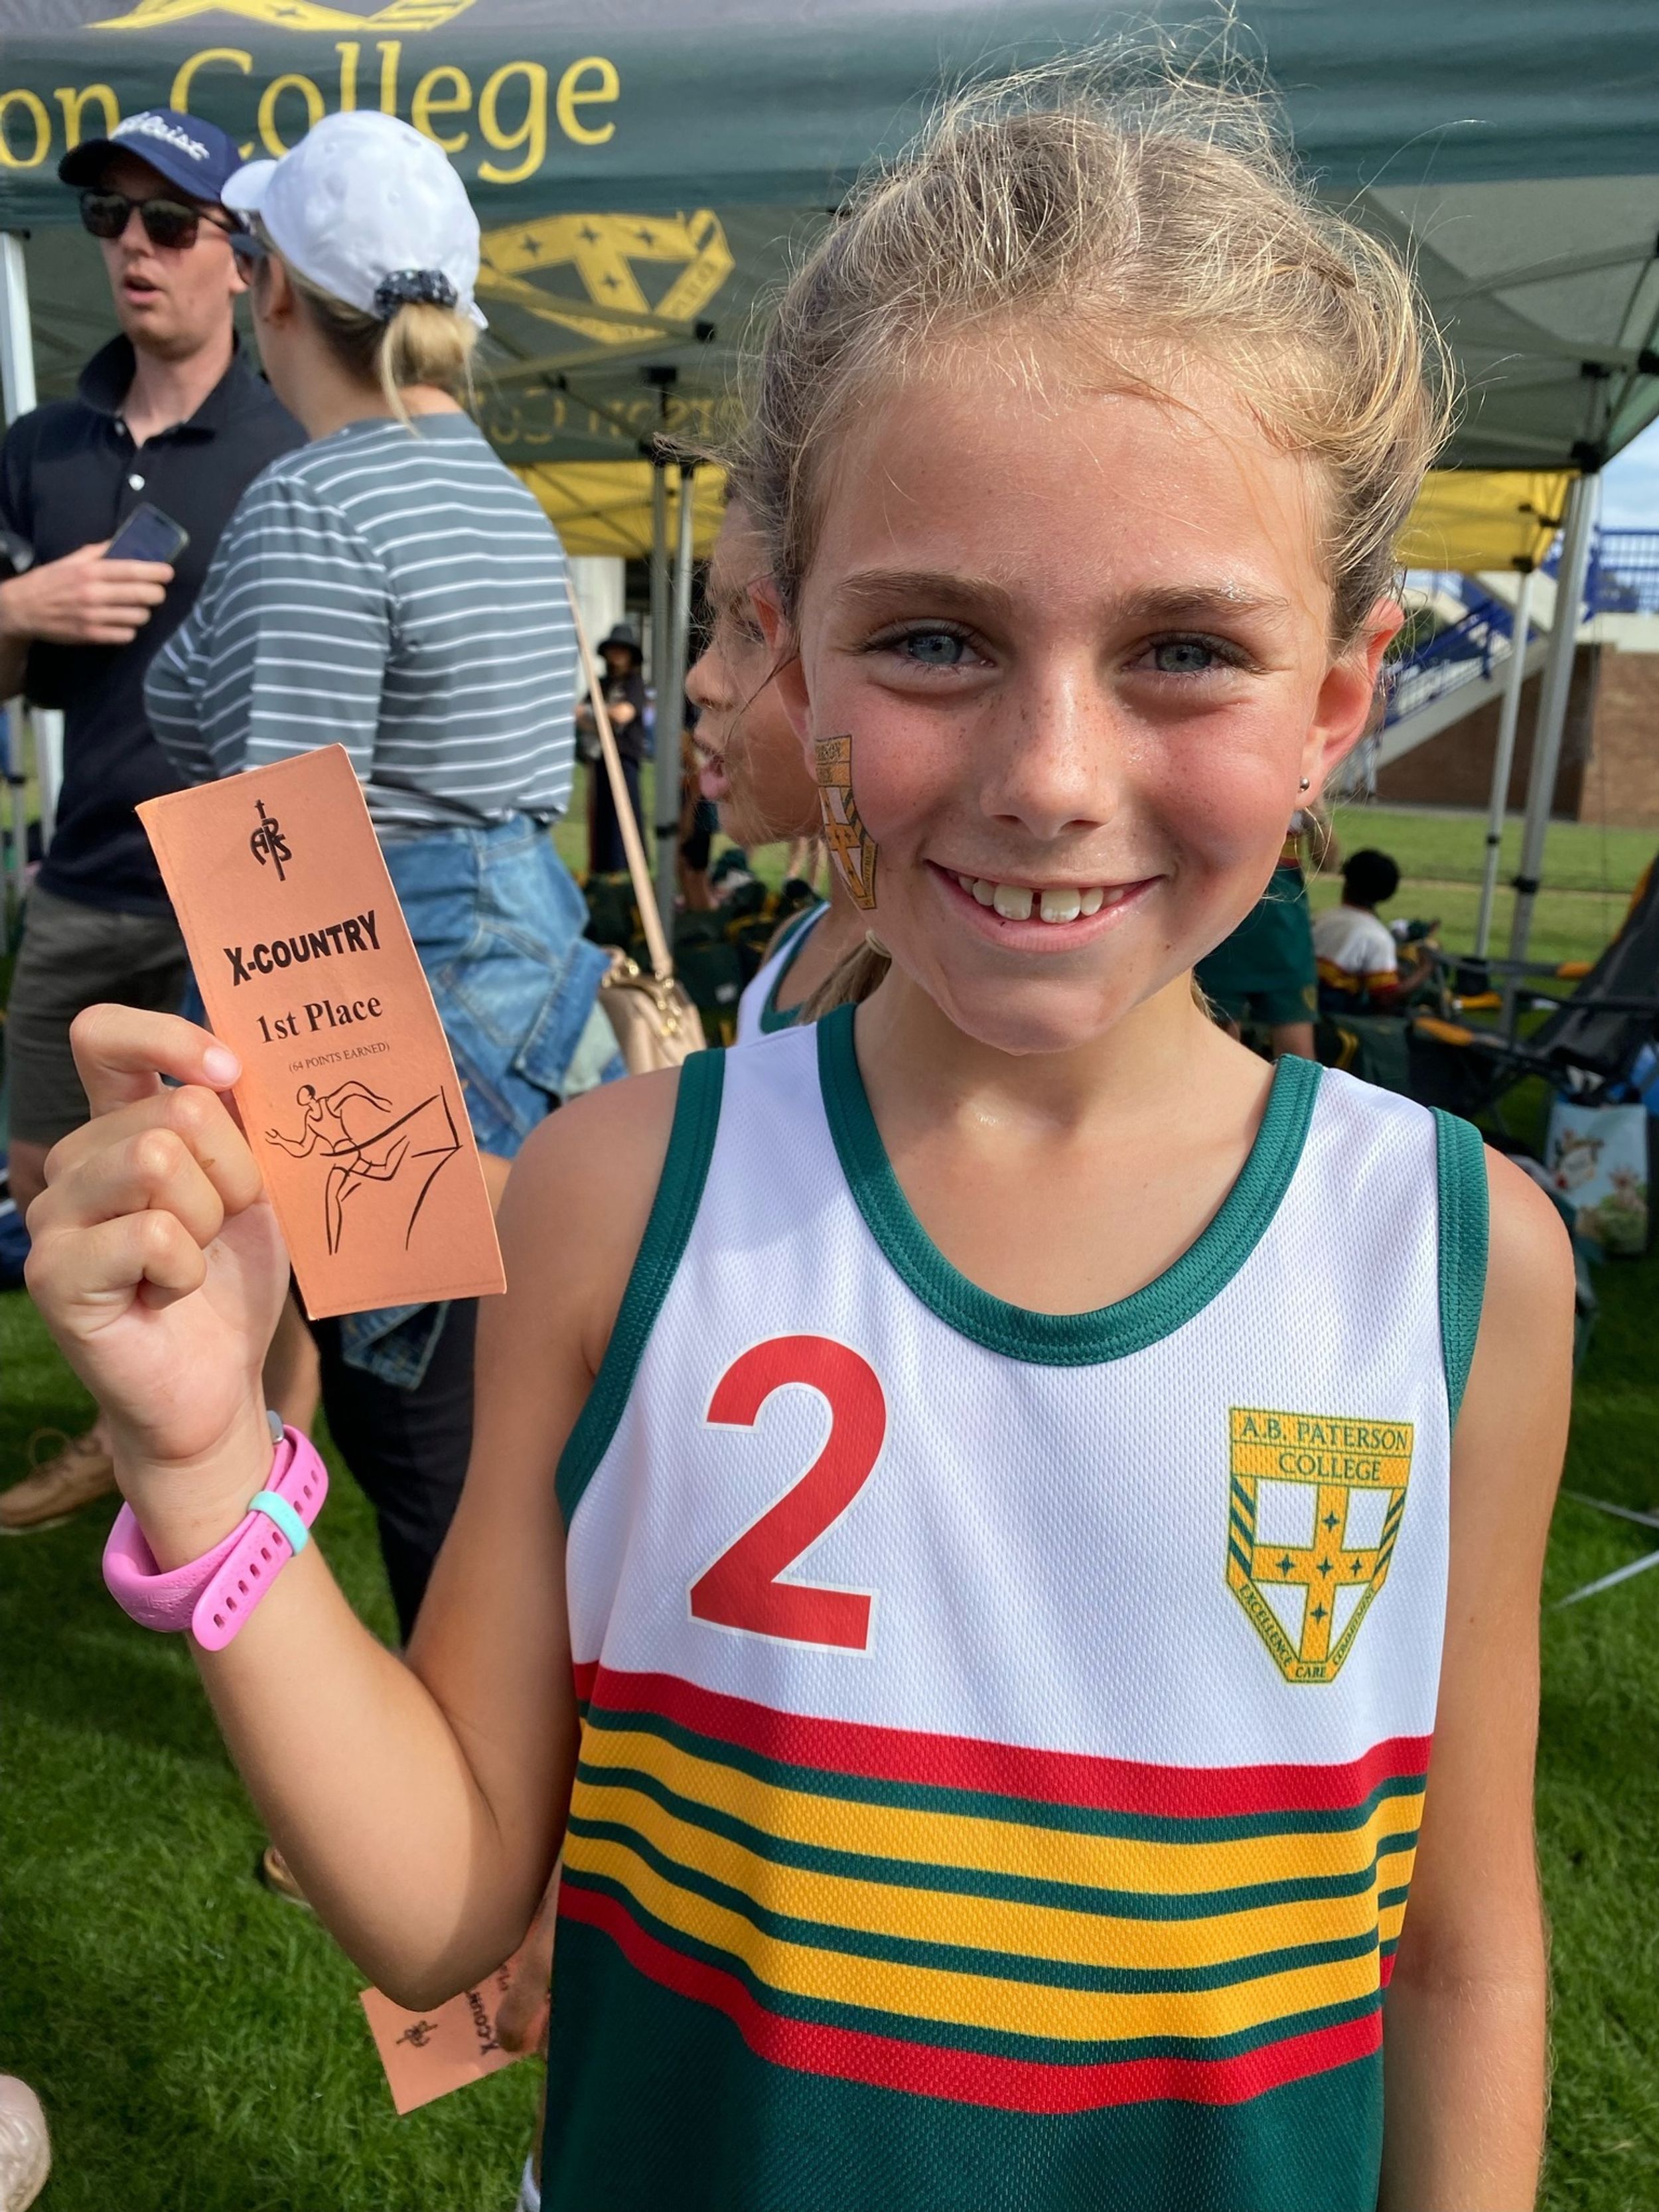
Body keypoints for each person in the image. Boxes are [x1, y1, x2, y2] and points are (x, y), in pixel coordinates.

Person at [27, 58, 1572, 2211]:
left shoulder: (1456, 1263)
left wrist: (346, 1150)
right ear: (787, 651)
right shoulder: (610, 1170)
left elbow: (1457, 1948)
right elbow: (444, 1893)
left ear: (1336, 697)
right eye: (935, 637)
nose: (1049, 775)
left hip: (410, 1000)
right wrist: (208, 1460)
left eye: (1183, 649)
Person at [143, 109, 614, 1648]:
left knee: (424, 1441)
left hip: (385, 995)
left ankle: (461, 1761)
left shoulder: (317, 505)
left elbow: (280, 853)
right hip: (523, 981)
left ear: (271, 287)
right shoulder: (497, 493)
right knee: (512, 1430)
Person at [0, 109, 305, 1532]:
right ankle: (129, 1435)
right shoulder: (43, 445)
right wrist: (24, 606)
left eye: (169, 221)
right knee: (50, 1179)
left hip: (243, 886)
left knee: (257, 1202)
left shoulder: (293, 443)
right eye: (108, 218)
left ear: (240, 260)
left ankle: (264, 1459)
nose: (134, 245)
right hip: (86, 872)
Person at [687, 499, 868, 1038]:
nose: (699, 680)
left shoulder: (932, 1009)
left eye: (753, 630)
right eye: (714, 627)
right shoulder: (791, 943)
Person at [1194, 807, 1321, 1058]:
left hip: (1285, 937)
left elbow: (1329, 862)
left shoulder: (1302, 797)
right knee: (1216, 1046)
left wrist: (1319, 816)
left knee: (1297, 1051)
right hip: (1225, 930)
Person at [1314, 846, 1431, 1011]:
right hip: (1335, 1014)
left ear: (1347, 881)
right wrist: (1425, 969)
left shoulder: (1321, 918)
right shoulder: (1377, 937)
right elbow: (1386, 998)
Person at [575, 623, 648, 875]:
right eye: (614, 649)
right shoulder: (601, 684)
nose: (617, 654)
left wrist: (595, 713)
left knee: (624, 816)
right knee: (601, 816)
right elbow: (578, 715)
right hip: (600, 758)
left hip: (624, 757)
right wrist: (601, 716)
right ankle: (601, 870)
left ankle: (625, 871)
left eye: (622, 650)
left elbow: (623, 714)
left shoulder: (634, 684)